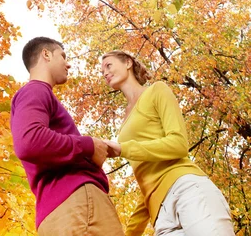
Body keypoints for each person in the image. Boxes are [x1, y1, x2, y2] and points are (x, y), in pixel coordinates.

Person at [101, 49, 236, 236]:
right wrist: (132, 231)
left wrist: (125, 148)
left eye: (108, 66)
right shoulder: (123, 124)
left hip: (186, 188)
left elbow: (179, 144)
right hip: (161, 216)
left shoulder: (156, 90)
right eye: (102, 72)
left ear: (127, 63)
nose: (105, 73)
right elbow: (146, 178)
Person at [10, 36, 125, 236]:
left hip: (58, 212)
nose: (68, 64)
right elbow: (29, 141)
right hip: (76, 202)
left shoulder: (35, 95)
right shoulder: (36, 90)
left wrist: (97, 147)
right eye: (62, 56)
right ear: (46, 54)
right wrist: (88, 146)